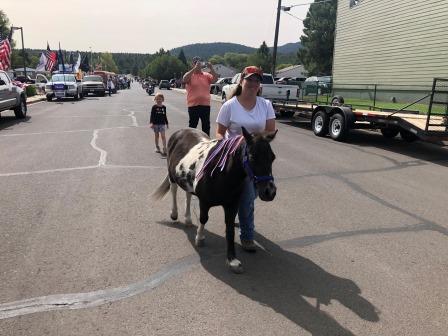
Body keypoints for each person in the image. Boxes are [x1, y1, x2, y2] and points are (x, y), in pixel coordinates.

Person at [215, 66, 276, 252]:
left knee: (252, 194)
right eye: (249, 80)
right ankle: (247, 236)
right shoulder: (230, 105)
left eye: (257, 81)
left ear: (260, 85)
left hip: (257, 158)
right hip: (236, 158)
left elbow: (270, 131)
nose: (253, 84)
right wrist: (226, 146)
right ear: (241, 81)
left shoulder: (265, 105)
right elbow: (219, 132)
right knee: (248, 197)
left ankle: (239, 213)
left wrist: (257, 142)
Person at [183, 56, 218, 136]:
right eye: (195, 63)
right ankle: (191, 142)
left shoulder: (206, 75)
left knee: (206, 126)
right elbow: (185, 79)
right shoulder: (190, 74)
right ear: (193, 64)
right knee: (192, 125)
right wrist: (194, 69)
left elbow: (215, 79)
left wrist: (211, 68)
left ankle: (206, 143)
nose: (197, 65)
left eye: (199, 63)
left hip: (205, 105)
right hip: (193, 105)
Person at [149, 92, 169, 157]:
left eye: (160, 99)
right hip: (155, 124)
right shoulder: (154, 107)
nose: (159, 100)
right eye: (157, 99)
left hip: (162, 124)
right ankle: (157, 147)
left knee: (163, 136)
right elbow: (152, 115)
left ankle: (164, 148)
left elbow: (165, 115)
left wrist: (167, 123)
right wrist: (151, 123)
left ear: (163, 99)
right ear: (155, 99)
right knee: (156, 136)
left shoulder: (164, 107)